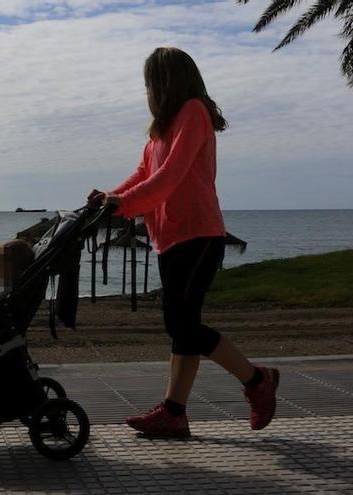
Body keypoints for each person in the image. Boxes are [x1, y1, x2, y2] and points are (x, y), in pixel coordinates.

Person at [88, 47, 279, 438]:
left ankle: (257, 379)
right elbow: (143, 173)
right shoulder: (160, 130)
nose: (147, 92)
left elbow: (171, 175)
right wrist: (111, 198)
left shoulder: (193, 112)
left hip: (198, 233)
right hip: (170, 237)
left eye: (149, 84)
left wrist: (124, 204)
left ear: (165, 82)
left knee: (181, 323)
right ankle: (174, 413)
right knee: (182, 326)